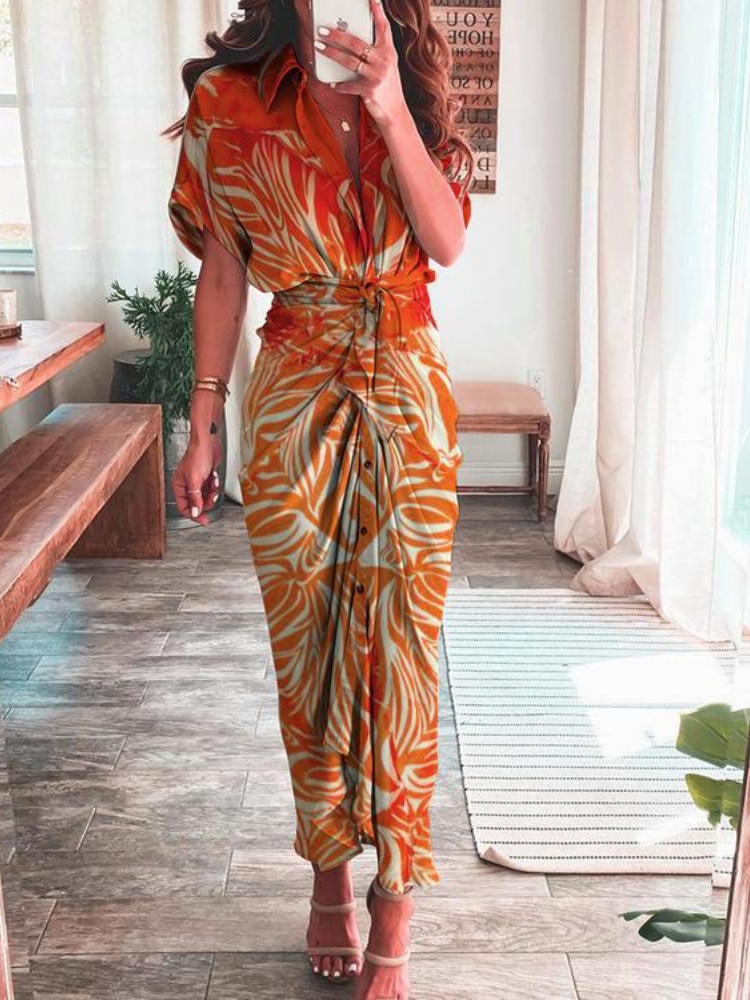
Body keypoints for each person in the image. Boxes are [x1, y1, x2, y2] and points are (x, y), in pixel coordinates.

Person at [166, 0, 472, 996]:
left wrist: (389, 107)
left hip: (408, 397)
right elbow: (223, 270)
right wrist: (203, 419)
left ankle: (397, 899)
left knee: (404, 653)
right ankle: (329, 870)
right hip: (296, 394)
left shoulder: (412, 77)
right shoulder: (229, 99)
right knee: (309, 655)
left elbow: (445, 242)